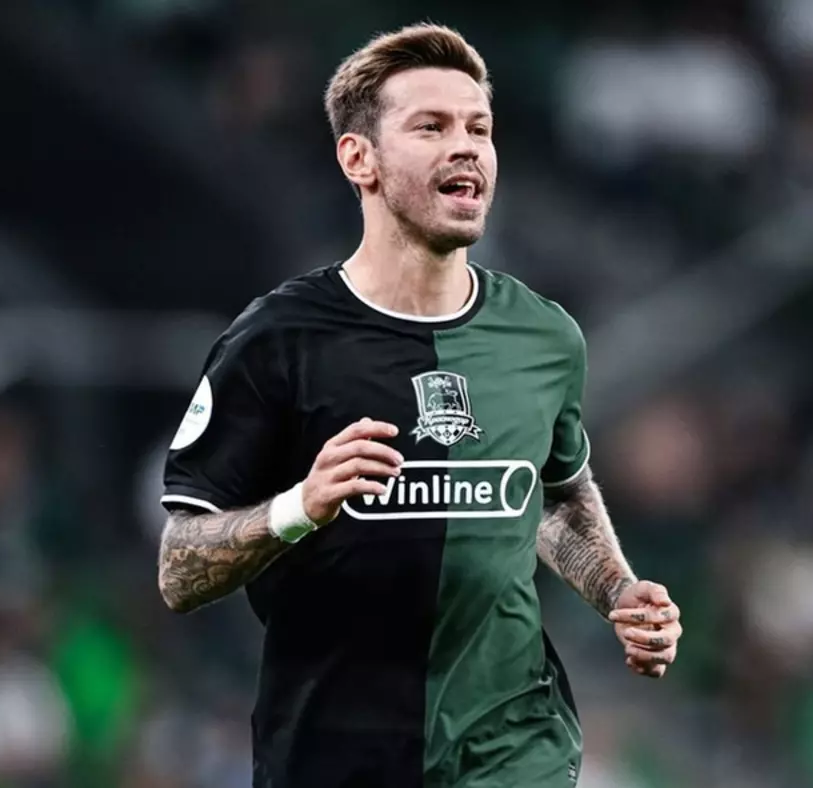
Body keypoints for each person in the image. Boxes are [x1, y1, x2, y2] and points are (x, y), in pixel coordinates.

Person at [158, 22, 683, 788]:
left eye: (479, 128)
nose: (465, 147)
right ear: (359, 159)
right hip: (334, 759)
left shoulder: (543, 335)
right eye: (431, 127)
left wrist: (618, 591)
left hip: (512, 751)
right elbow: (179, 568)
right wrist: (300, 506)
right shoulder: (277, 341)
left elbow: (552, 496)